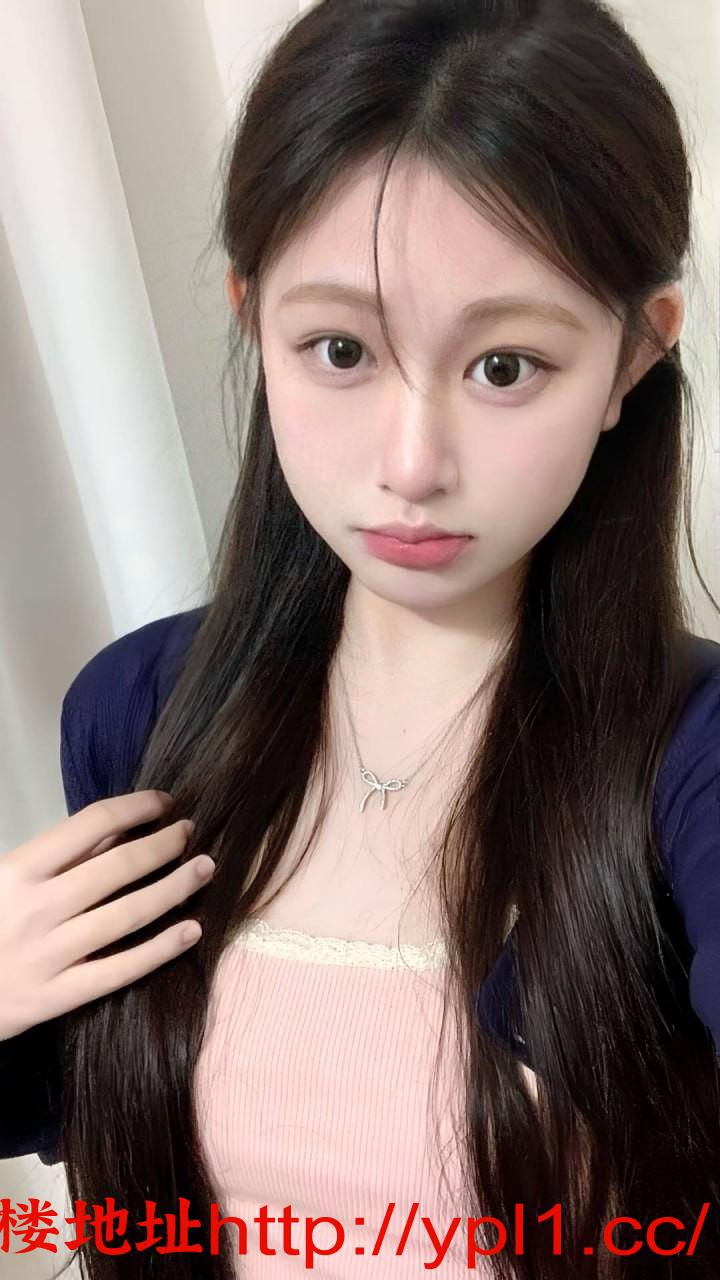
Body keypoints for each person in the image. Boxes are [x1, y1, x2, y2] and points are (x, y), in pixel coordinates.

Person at [1, 0, 720, 1275]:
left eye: (506, 366)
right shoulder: (144, 709)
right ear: (251, 316)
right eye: (340, 348)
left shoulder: (691, 755)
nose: (412, 463)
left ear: (630, 358)